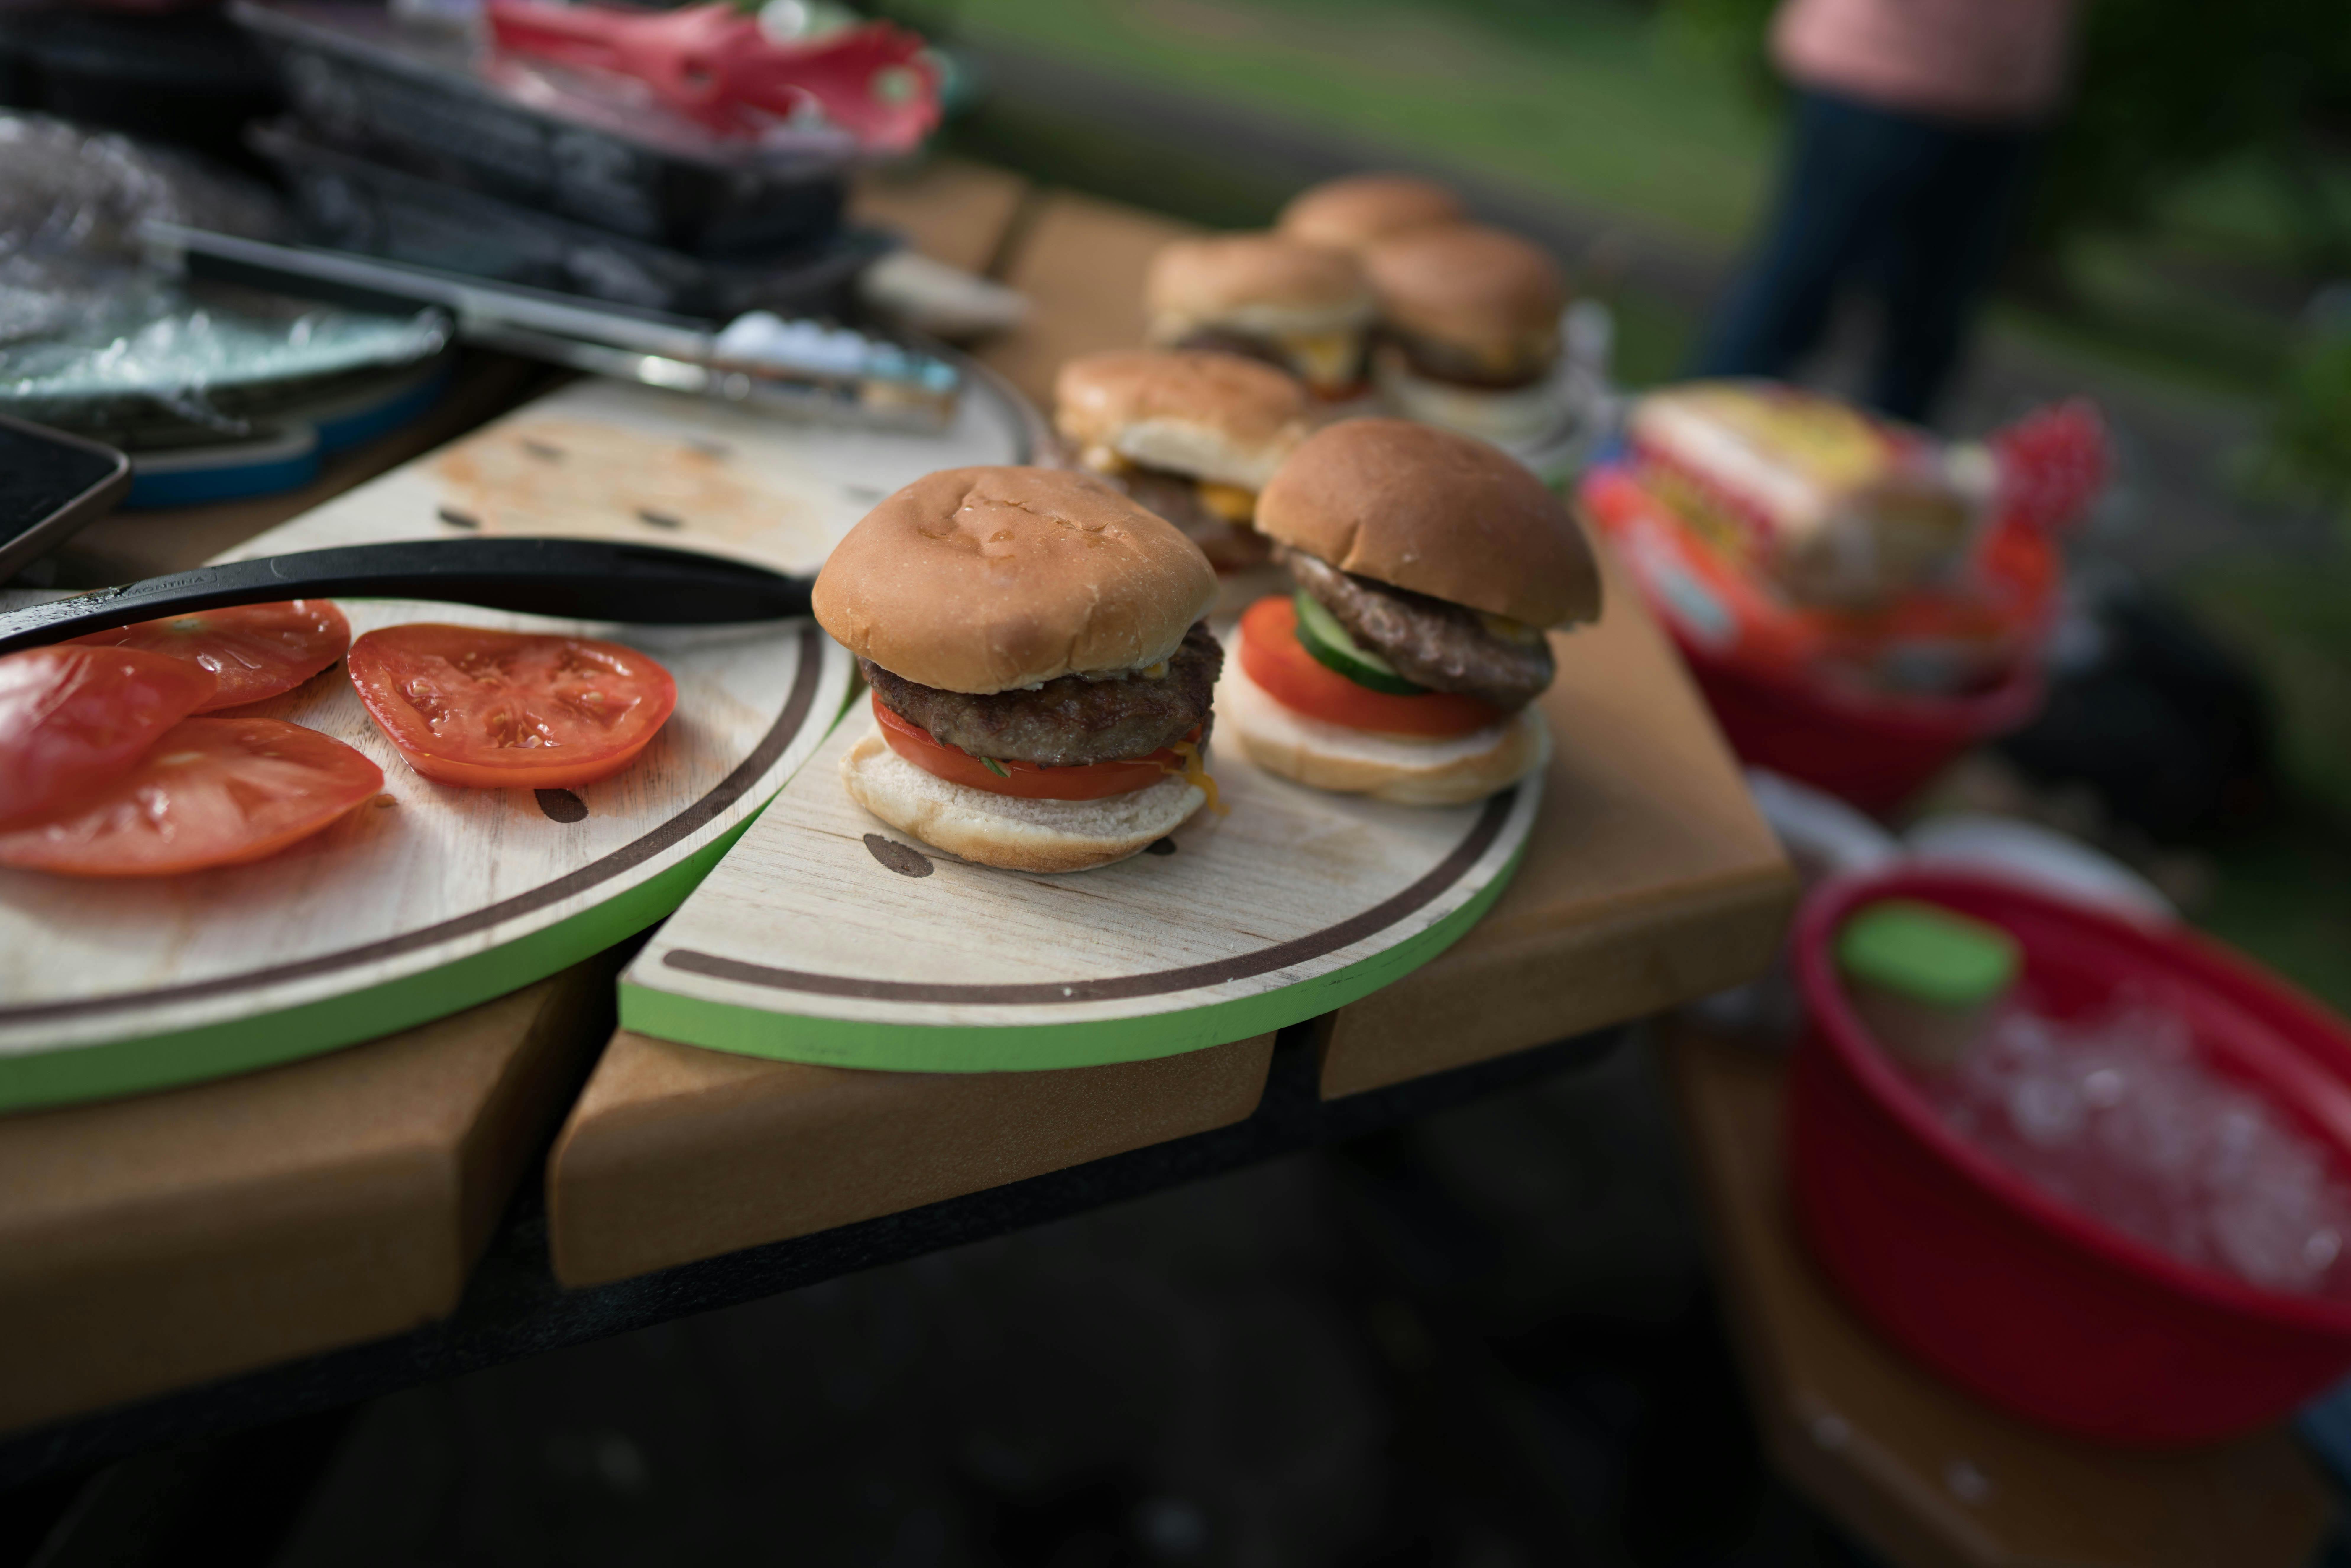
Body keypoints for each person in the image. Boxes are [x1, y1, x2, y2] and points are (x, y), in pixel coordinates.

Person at [1689, 0, 2081, 424]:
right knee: (1796, 295)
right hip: (1872, 68)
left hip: (2007, 98)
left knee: (1927, 334)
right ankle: (1683, 441)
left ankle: (1888, 467)